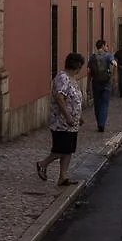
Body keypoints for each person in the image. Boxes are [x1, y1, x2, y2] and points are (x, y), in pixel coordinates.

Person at [37, 52, 85, 186]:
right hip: (61, 122)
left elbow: (74, 100)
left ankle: (63, 177)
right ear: (76, 66)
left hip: (71, 123)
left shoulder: (72, 79)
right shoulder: (63, 78)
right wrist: (68, 115)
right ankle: (42, 164)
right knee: (61, 149)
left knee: (69, 149)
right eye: (80, 66)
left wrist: (79, 115)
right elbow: (59, 97)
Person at [87, 39, 116, 132]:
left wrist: (88, 85)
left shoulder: (92, 57)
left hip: (95, 82)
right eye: (106, 45)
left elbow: (89, 72)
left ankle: (99, 122)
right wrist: (114, 76)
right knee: (104, 103)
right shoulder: (108, 55)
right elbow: (115, 64)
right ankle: (102, 124)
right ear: (103, 46)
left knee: (97, 104)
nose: (107, 47)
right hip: (106, 83)